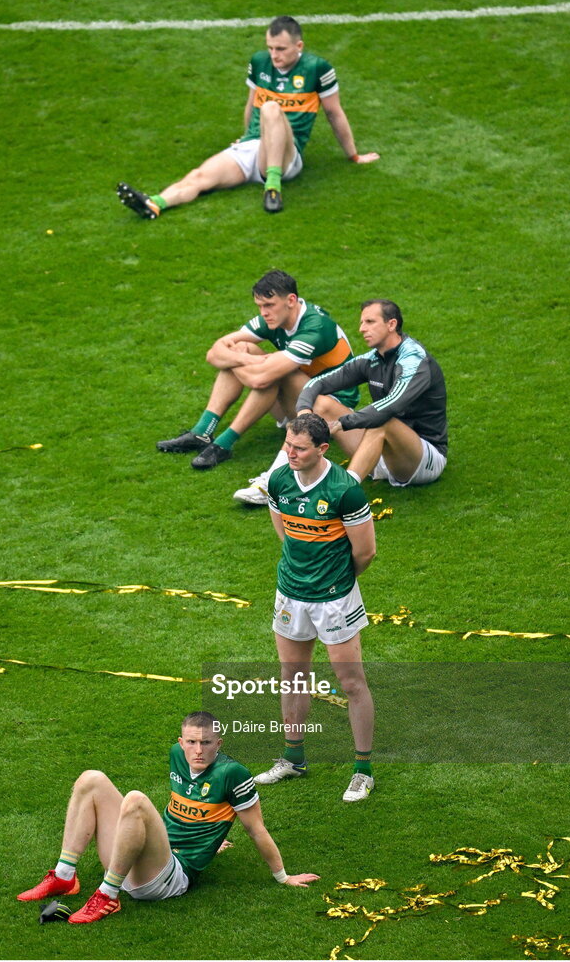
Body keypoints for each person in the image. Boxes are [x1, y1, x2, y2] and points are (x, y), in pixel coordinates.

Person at [16, 711, 319, 924]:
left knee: (135, 800)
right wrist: (212, 834)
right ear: (181, 740)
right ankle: (65, 876)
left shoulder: (233, 774)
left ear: (219, 743)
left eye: (206, 743)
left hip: (169, 877)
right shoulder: (177, 754)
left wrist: (283, 877)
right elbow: (193, 803)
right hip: (139, 858)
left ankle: (108, 896)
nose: (197, 750)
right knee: (90, 779)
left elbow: (256, 830)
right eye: (191, 742)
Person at [117, 15, 378, 218]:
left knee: (271, 108)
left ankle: (272, 187)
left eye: (281, 49)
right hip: (253, 147)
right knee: (199, 176)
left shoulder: (318, 68)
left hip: (287, 156)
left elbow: (334, 112)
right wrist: (245, 138)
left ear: (299, 46)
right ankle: (154, 203)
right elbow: (250, 103)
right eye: (270, 48)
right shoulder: (259, 62)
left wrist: (353, 155)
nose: (274, 55)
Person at [254, 414, 377, 803]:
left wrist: (336, 579)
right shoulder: (279, 479)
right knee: (292, 676)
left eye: (299, 448)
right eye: (288, 445)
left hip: (334, 598)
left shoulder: (345, 490)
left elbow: (366, 551)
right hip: (290, 593)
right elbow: (285, 532)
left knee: (351, 683)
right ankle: (293, 757)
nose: (290, 453)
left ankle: (363, 770)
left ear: (322, 449)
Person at [157, 269, 359, 471]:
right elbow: (214, 353)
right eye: (260, 306)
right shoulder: (273, 318)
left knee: (276, 374)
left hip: (330, 413)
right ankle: (202, 432)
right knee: (242, 349)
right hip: (300, 401)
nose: (263, 313)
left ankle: (223, 444)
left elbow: (260, 380)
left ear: (291, 300)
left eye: (269, 305)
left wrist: (243, 364)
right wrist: (243, 358)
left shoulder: (316, 327)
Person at [294, 300, 448, 488]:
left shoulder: (414, 360)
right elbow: (317, 383)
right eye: (361, 323)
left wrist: (343, 423)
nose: (361, 329)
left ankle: (344, 490)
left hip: (424, 459)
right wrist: (303, 413)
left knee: (382, 421)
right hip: (384, 452)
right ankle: (293, 477)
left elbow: (390, 406)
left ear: (391, 324)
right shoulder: (372, 359)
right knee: (322, 404)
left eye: (369, 322)